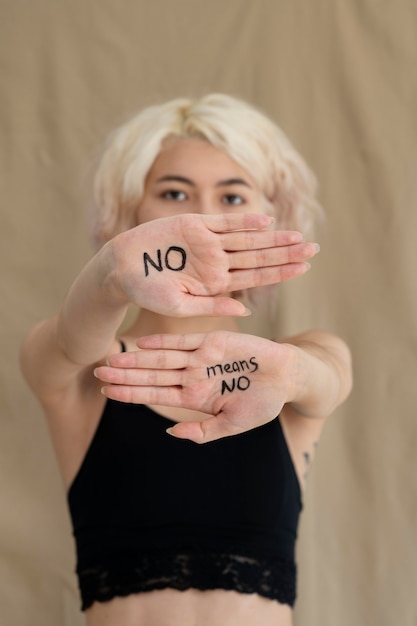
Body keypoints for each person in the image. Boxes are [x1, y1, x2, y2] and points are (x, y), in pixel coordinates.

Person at [20, 93, 352, 626]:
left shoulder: (291, 364)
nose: (202, 216)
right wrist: (111, 272)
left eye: (233, 195)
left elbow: (328, 374)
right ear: (124, 213)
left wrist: (292, 373)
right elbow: (65, 344)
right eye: (174, 192)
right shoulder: (84, 371)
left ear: (275, 220)